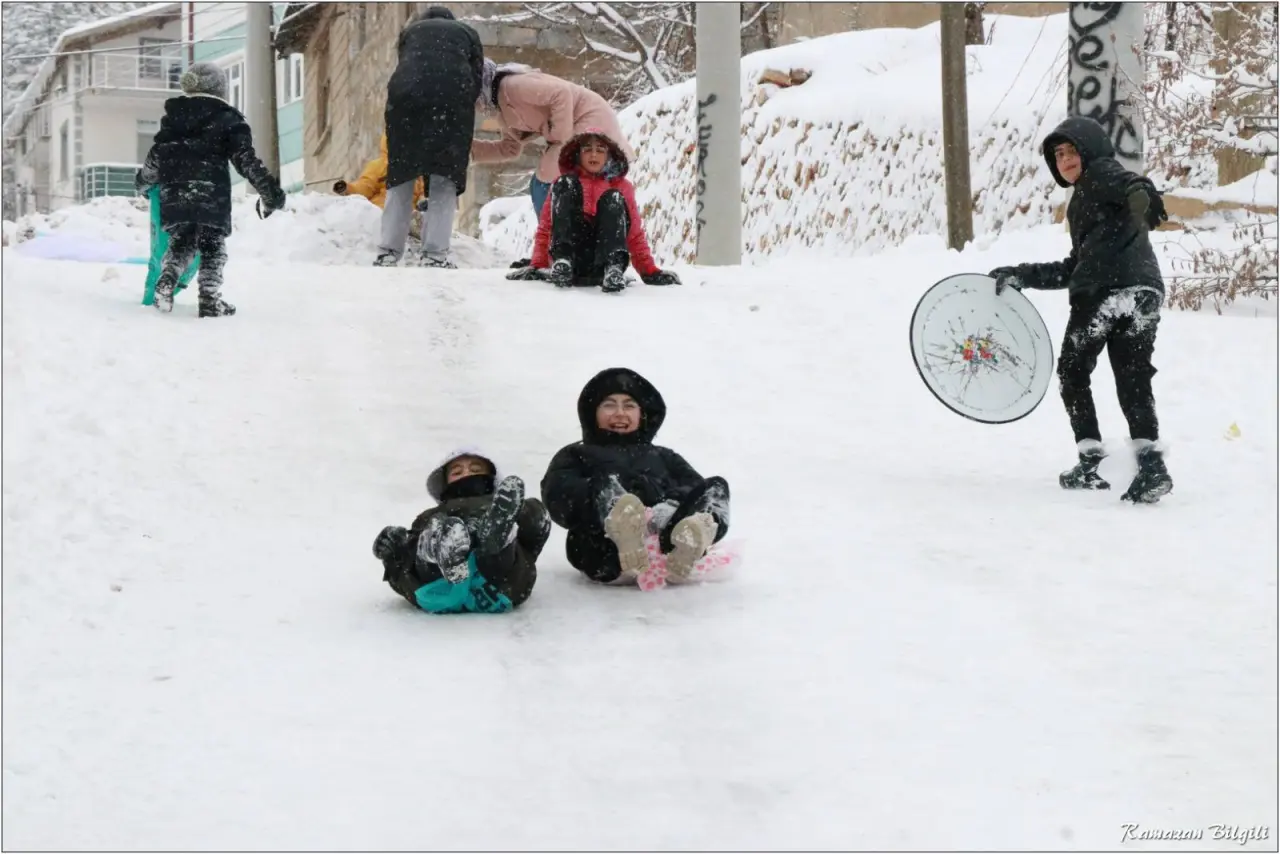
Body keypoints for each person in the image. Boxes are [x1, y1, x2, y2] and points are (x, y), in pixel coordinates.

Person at [988, 115, 1173, 504]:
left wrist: (1144, 194)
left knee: (1072, 373)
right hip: (1142, 292)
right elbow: (1074, 267)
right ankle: (1151, 466)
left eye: (1072, 151)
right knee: (1133, 379)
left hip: (1104, 292)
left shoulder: (1100, 176)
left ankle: (1091, 462)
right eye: (1059, 155)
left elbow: (1130, 183)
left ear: (1092, 150)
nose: (1066, 160)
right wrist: (1023, 275)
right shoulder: (1087, 200)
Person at [541, 368, 730, 588]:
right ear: (593, 413)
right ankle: (624, 528)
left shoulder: (664, 456)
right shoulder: (577, 454)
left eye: (629, 406)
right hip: (604, 551)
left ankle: (689, 540)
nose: (620, 413)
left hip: (667, 541)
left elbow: (693, 485)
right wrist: (610, 494)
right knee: (607, 484)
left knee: (715, 488)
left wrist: (667, 503)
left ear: (642, 414)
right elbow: (558, 495)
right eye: (609, 405)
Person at [136, 61, 285, 317]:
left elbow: (156, 156)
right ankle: (209, 300)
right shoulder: (228, 119)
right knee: (212, 247)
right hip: (210, 193)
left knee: (181, 243)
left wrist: (143, 182)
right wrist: (270, 193)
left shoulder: (173, 119)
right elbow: (246, 160)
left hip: (175, 194)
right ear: (219, 89)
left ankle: (167, 279)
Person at [471, 61, 636, 266]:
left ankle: (561, 253)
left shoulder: (513, 85)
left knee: (545, 183)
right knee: (543, 186)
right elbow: (510, 149)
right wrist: (467, 150)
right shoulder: (502, 110)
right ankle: (559, 252)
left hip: (590, 116)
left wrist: (558, 136)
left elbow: (561, 93)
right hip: (572, 128)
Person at [373, 450, 550, 614]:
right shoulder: (431, 515)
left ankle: (493, 539)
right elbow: (408, 554)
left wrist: (533, 514)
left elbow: (531, 542)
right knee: (431, 532)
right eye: (457, 472)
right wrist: (393, 545)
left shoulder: (505, 507)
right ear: (444, 483)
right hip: (484, 591)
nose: (466, 474)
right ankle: (443, 553)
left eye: (476, 470)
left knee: (503, 541)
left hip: (490, 582)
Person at [505, 128, 680, 293]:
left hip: (602, 262)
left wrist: (649, 271)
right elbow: (546, 227)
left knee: (613, 197)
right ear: (578, 154)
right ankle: (563, 260)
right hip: (572, 260)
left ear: (609, 155)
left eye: (600, 150)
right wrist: (537, 264)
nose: (594, 154)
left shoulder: (621, 187)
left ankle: (613, 267)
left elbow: (634, 234)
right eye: (587, 149)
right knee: (565, 183)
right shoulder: (564, 185)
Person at [378, 6, 484, 269]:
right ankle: (434, 255)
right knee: (444, 179)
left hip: (405, 101)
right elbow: (476, 78)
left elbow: (405, 65)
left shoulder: (409, 32)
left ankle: (388, 252)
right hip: (451, 102)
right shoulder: (468, 33)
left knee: (401, 176)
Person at [140, 184, 198, 307]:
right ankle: (161, 290)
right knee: (190, 252)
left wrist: (144, 184)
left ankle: (158, 291)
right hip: (193, 198)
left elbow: (146, 176)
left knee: (164, 254)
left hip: (167, 197)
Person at [333, 134, 424, 210]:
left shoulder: (418, 171)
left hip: (405, 215)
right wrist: (349, 189)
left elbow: (423, 193)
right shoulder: (379, 166)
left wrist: (423, 202)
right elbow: (365, 185)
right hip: (380, 210)